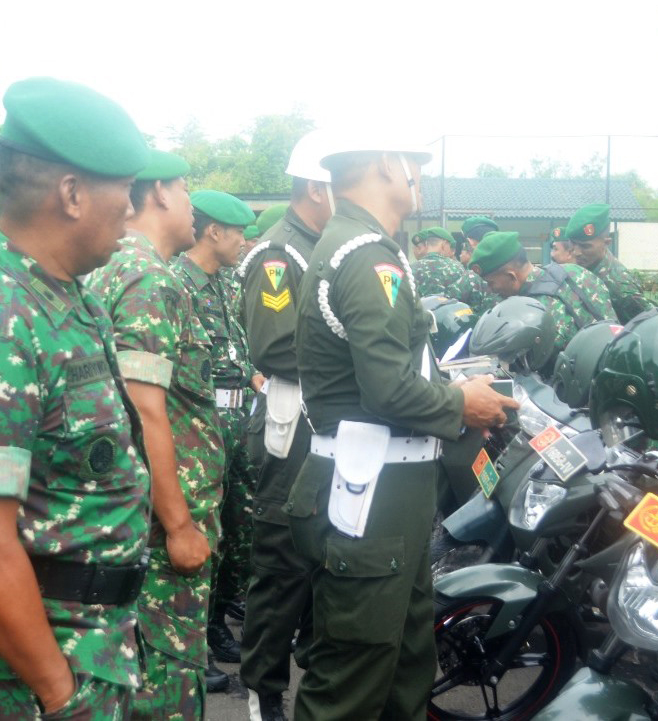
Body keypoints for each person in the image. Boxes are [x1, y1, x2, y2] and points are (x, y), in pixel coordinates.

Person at [0, 78, 152, 719]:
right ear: (72, 194)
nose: (132, 209)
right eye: (124, 190)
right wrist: (60, 696)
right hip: (32, 680)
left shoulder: (66, 297)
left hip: (93, 643)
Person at [284, 140, 518, 719]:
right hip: (372, 496)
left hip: (388, 493)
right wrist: (462, 403)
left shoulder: (368, 247)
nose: (418, 179)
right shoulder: (366, 256)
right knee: (352, 684)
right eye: (414, 166)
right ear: (388, 164)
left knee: (403, 670)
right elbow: (386, 389)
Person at [85, 150, 227, 718]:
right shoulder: (148, 277)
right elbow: (145, 412)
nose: (193, 206)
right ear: (162, 192)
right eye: (188, 191)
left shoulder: (110, 264)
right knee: (163, 678)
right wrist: (179, 526)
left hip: (123, 513)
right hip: (160, 523)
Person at [236, 130, 335, 721]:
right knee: (281, 562)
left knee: (326, 553)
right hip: (292, 423)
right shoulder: (281, 255)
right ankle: (263, 688)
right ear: (316, 188)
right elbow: (273, 347)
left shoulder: (324, 245)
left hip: (329, 420)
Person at [171, 190, 261, 669]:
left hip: (239, 418)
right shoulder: (175, 283)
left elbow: (236, 349)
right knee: (198, 527)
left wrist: (253, 376)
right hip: (197, 424)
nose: (244, 242)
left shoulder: (227, 283)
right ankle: (191, 639)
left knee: (239, 529)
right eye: (239, 232)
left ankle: (217, 621)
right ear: (213, 232)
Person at [470, 230, 617, 353]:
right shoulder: (575, 271)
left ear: (511, 276)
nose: (490, 290)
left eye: (491, 283)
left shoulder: (532, 315)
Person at [565, 203, 656, 322]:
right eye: (572, 243)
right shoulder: (585, 268)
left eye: (585, 246)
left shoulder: (620, 286)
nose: (576, 252)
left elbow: (649, 324)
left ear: (606, 243)